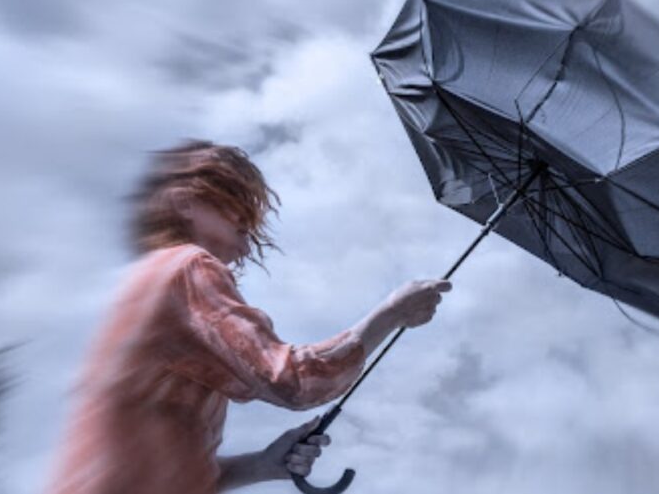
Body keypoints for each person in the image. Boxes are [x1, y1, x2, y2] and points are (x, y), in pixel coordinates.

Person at [46, 140, 450, 493]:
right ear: (188, 201)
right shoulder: (188, 268)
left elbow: (169, 473)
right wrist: (390, 315)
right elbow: (294, 381)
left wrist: (263, 464)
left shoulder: (152, 284)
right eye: (240, 222)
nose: (244, 248)